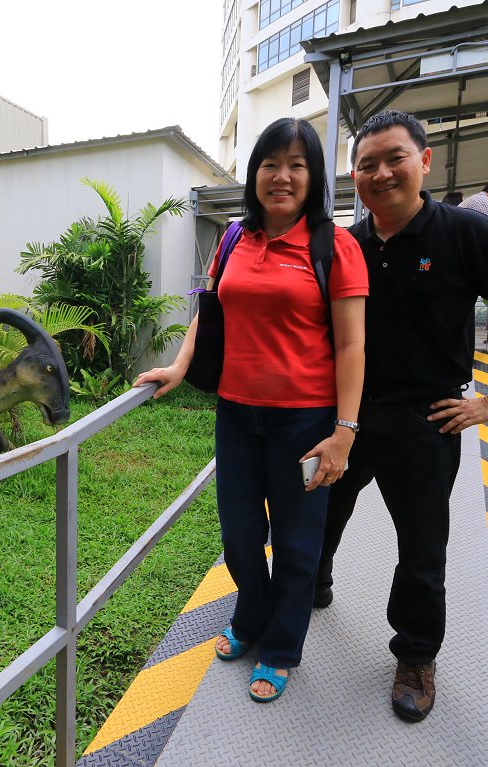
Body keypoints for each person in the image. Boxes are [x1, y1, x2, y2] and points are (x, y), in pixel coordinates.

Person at [314, 110, 488, 722]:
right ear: (355, 178)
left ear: (424, 162)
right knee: (319, 510)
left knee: (422, 546)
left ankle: (416, 654)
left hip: (427, 420)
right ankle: (311, 587)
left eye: (394, 158)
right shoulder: (349, 243)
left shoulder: (467, 233)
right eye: (366, 165)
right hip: (349, 415)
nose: (381, 173)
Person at [134, 118, 368, 703]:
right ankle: (249, 616)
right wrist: (180, 366)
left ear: (314, 178)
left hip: (305, 421)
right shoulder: (235, 237)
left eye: (296, 165)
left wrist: (344, 430)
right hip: (237, 415)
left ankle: (281, 646)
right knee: (240, 535)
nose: (281, 176)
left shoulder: (336, 247)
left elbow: (352, 346)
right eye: (269, 163)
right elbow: (208, 316)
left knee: (296, 543)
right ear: (254, 174)